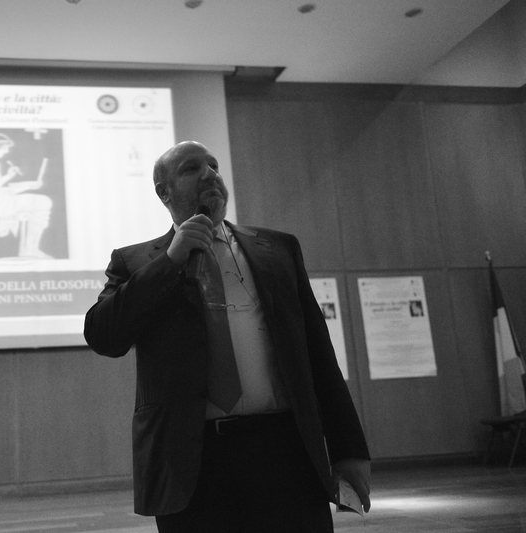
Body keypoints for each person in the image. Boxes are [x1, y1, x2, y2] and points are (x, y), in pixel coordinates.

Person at [84, 140, 371, 532]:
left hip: (286, 452)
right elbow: (103, 335)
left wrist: (348, 449)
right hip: (192, 464)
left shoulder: (278, 249)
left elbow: (318, 353)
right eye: (191, 168)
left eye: (214, 165)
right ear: (164, 192)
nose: (209, 174)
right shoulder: (136, 262)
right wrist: (170, 261)